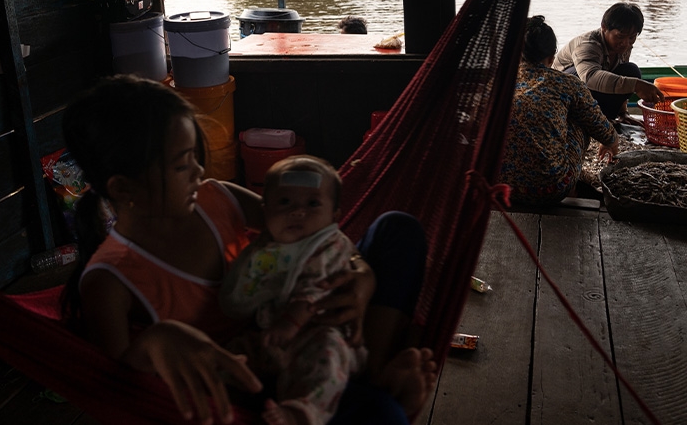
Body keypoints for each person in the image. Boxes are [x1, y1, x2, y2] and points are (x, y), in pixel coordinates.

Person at [59, 75, 435, 425]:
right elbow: (112, 391)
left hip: (308, 323)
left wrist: (360, 275)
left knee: (396, 229)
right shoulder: (110, 279)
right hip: (254, 384)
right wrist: (154, 342)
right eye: (180, 165)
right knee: (380, 414)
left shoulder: (218, 198)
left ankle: (372, 364)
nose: (197, 171)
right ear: (124, 189)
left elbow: (319, 236)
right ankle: (373, 387)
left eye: (194, 155)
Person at [220, 155, 363, 425]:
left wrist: (289, 322)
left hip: (316, 331)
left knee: (328, 359)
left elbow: (314, 289)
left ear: (334, 216)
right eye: (284, 202)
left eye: (312, 204)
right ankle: (222, 398)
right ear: (265, 211)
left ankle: (301, 411)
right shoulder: (267, 248)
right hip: (269, 337)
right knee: (230, 355)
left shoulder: (328, 246)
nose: (297, 211)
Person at [500, 16, 619, 205]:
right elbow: (600, 126)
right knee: (581, 120)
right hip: (550, 189)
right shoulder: (567, 84)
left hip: (497, 188)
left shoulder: (497, 85)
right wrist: (611, 141)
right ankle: (571, 187)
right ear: (551, 58)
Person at [552, 2, 663, 124]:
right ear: (604, 27)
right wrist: (636, 85)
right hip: (561, 100)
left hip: (591, 100)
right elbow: (590, 78)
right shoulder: (587, 45)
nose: (626, 43)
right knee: (576, 77)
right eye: (620, 36)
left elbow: (622, 78)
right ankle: (578, 121)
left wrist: (623, 113)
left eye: (632, 37)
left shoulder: (623, 46)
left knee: (631, 71)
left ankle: (603, 119)